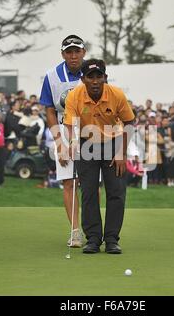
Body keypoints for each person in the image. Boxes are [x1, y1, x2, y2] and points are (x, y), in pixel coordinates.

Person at [63, 59, 135, 255]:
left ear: (105, 78)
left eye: (98, 76)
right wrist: (71, 142)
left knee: (116, 192)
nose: (95, 81)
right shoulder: (74, 96)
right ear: (83, 79)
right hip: (87, 143)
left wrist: (122, 152)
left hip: (114, 142)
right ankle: (93, 239)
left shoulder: (116, 94)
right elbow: (69, 124)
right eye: (90, 77)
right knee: (89, 192)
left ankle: (112, 239)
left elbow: (129, 122)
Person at [40, 35, 87, 248]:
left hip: (89, 131)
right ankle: (75, 231)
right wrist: (59, 143)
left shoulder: (93, 72)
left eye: (77, 51)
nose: (73, 55)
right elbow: (49, 110)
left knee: (90, 184)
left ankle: (92, 230)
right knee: (69, 183)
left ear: (83, 52)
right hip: (63, 130)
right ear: (63, 54)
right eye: (69, 52)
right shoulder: (51, 76)